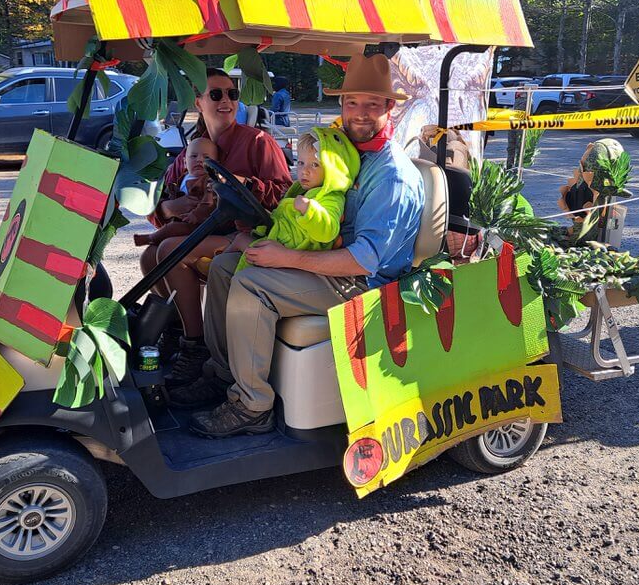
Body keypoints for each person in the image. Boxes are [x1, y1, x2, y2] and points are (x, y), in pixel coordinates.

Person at [170, 53, 425, 438]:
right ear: (342, 104)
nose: (360, 113)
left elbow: (365, 260)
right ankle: (224, 374)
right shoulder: (345, 154)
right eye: (352, 102)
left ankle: (252, 406)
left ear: (390, 107)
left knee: (252, 285)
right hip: (333, 265)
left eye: (372, 104)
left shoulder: (391, 176)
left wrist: (287, 257)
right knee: (225, 267)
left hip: (366, 286)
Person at [138, 69, 292, 384]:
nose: (226, 101)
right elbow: (159, 205)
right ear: (198, 102)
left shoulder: (257, 142)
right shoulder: (193, 151)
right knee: (150, 256)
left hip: (248, 238)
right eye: (216, 94)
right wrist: (168, 208)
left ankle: (196, 346)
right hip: (208, 235)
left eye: (232, 94)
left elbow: (284, 195)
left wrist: (247, 184)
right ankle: (177, 329)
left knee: (171, 250)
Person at [235, 126, 360, 270]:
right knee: (227, 256)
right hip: (280, 241)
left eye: (315, 165)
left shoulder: (330, 197)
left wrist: (309, 211)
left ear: (333, 170)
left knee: (240, 243)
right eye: (301, 163)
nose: (305, 171)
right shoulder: (301, 190)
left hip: (294, 252)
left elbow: (327, 232)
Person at [134, 136, 217, 247]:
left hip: (197, 224)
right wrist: (167, 205)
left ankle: (151, 238)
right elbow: (164, 194)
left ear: (216, 164)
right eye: (193, 156)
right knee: (157, 246)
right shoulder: (182, 177)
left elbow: (208, 203)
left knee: (172, 230)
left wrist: (195, 215)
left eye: (206, 157)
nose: (199, 160)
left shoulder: (208, 181)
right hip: (179, 219)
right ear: (185, 161)